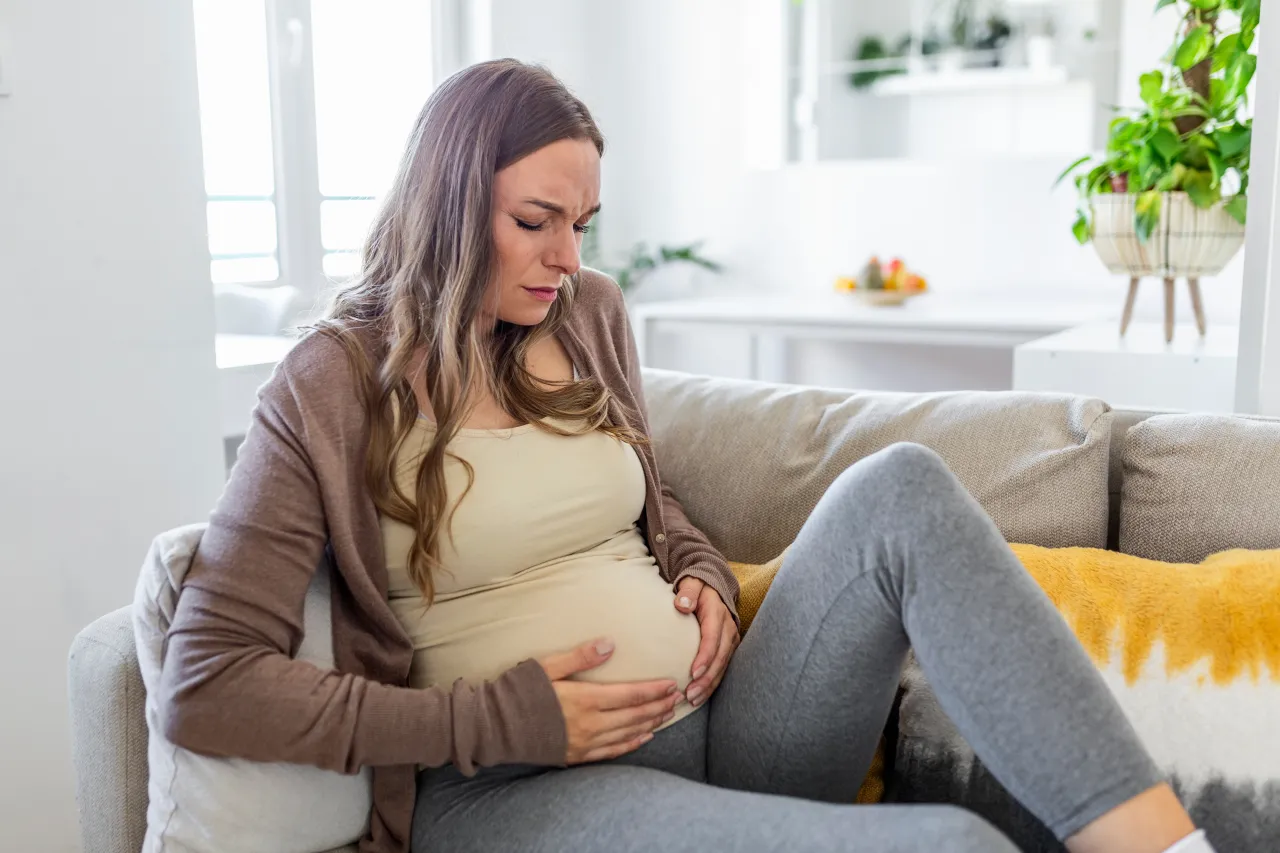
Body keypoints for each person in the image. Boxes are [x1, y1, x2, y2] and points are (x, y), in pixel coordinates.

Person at [158, 59, 1214, 853]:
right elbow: (206, 682)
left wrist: (699, 567)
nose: (568, 258)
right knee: (954, 846)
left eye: (582, 223)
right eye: (536, 221)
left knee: (899, 486)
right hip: (512, 791)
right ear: (445, 206)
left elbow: (639, 501)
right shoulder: (330, 384)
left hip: (725, 724)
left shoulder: (589, 315)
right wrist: (484, 717)